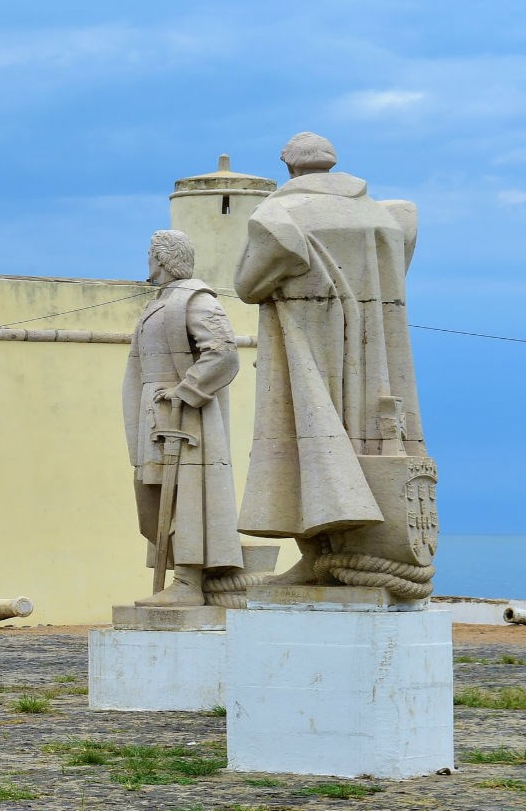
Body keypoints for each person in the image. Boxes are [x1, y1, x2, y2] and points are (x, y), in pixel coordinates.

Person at [234, 132, 432, 586]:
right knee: (369, 445)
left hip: (308, 350)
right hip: (378, 359)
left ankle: (320, 555)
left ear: (290, 169)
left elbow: (248, 285)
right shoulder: (382, 215)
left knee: (311, 449)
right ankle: (330, 559)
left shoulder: (279, 214)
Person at [123, 230, 243, 605]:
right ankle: (182, 578)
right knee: (157, 499)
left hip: (184, 419)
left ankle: (189, 582)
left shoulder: (195, 299)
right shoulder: (161, 301)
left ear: (162, 258)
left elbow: (223, 351)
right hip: (155, 414)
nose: (147, 260)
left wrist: (186, 390)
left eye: (150, 253)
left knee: (187, 495)